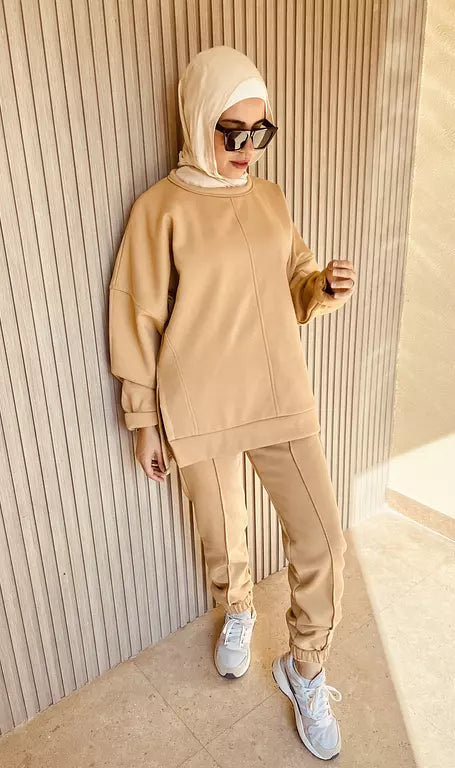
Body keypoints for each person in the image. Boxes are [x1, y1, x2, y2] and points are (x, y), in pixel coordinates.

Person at [108, 45, 356, 761]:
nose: (247, 148)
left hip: (278, 391)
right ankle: (239, 608)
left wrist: (320, 287)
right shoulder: (159, 210)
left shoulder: (270, 199)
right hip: (200, 401)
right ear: (197, 120)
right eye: (232, 131)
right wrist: (143, 420)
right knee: (224, 535)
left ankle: (304, 668)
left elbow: (294, 278)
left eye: (260, 131)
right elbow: (137, 316)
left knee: (322, 541)